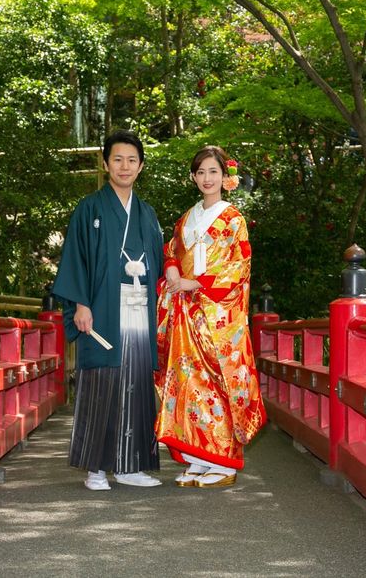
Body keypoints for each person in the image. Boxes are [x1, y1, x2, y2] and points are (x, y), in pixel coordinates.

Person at [51, 130, 164, 490]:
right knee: (102, 382)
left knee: (136, 382)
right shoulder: (90, 209)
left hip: (139, 307)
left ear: (141, 166)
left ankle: (130, 465)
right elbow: (76, 257)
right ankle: (96, 469)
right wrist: (81, 304)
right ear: (105, 164)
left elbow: (162, 263)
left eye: (132, 160)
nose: (124, 166)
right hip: (102, 308)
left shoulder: (147, 214)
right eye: (118, 159)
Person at [154, 145, 266, 488]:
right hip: (185, 313)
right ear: (193, 177)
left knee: (218, 381)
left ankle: (224, 460)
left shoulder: (233, 219)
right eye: (200, 172)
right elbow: (172, 250)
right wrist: (172, 271)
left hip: (217, 317)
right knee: (188, 382)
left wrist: (196, 283)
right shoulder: (186, 218)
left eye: (213, 172)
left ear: (225, 176)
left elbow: (238, 267)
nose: (207, 178)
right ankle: (198, 457)